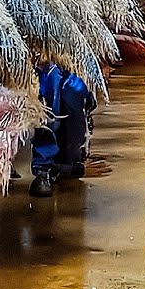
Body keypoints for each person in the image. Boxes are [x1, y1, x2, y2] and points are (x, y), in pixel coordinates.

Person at [30, 63, 98, 197]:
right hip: (45, 62)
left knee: (74, 95)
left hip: (73, 60)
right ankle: (44, 168)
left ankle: (68, 159)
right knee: (48, 102)